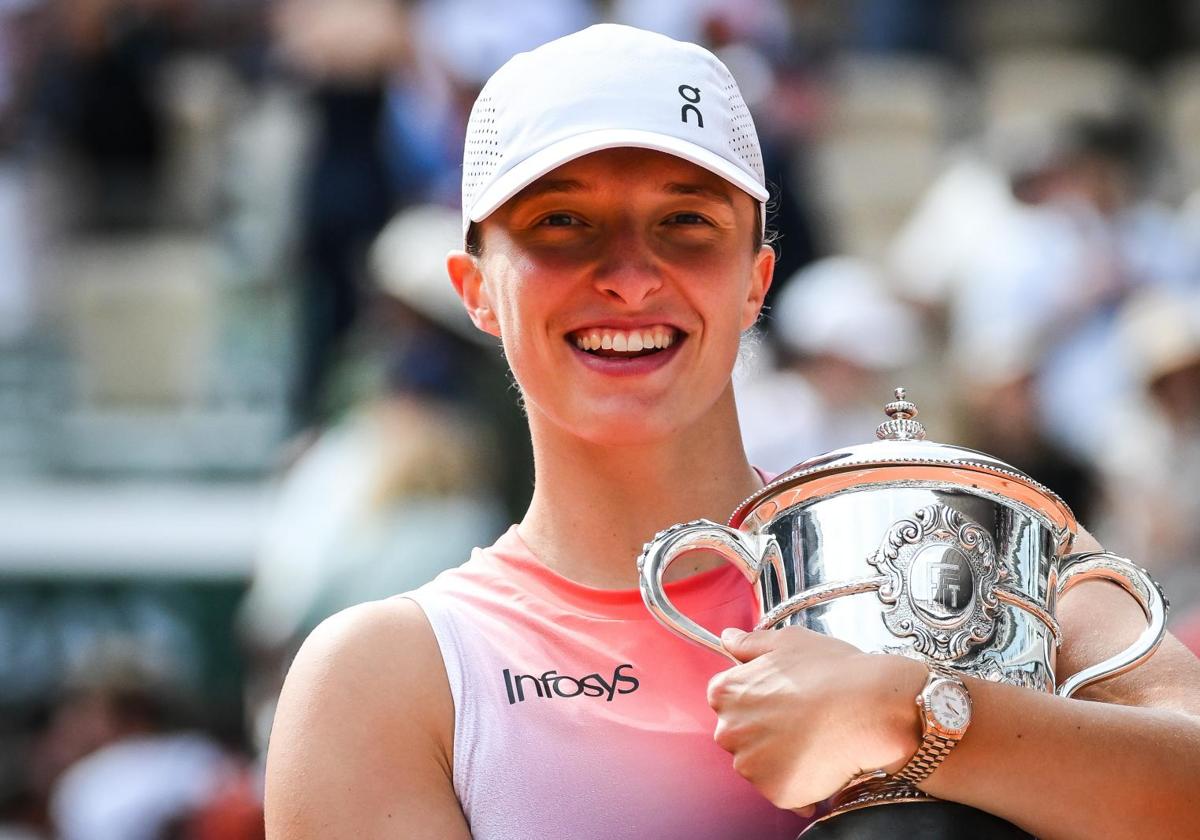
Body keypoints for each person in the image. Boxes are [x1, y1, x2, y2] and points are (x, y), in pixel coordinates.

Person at [263, 25, 1200, 840]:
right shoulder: (387, 678)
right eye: (562, 223)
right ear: (476, 291)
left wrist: (914, 720)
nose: (630, 277)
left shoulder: (963, 537)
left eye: (684, 222)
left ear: (756, 280)